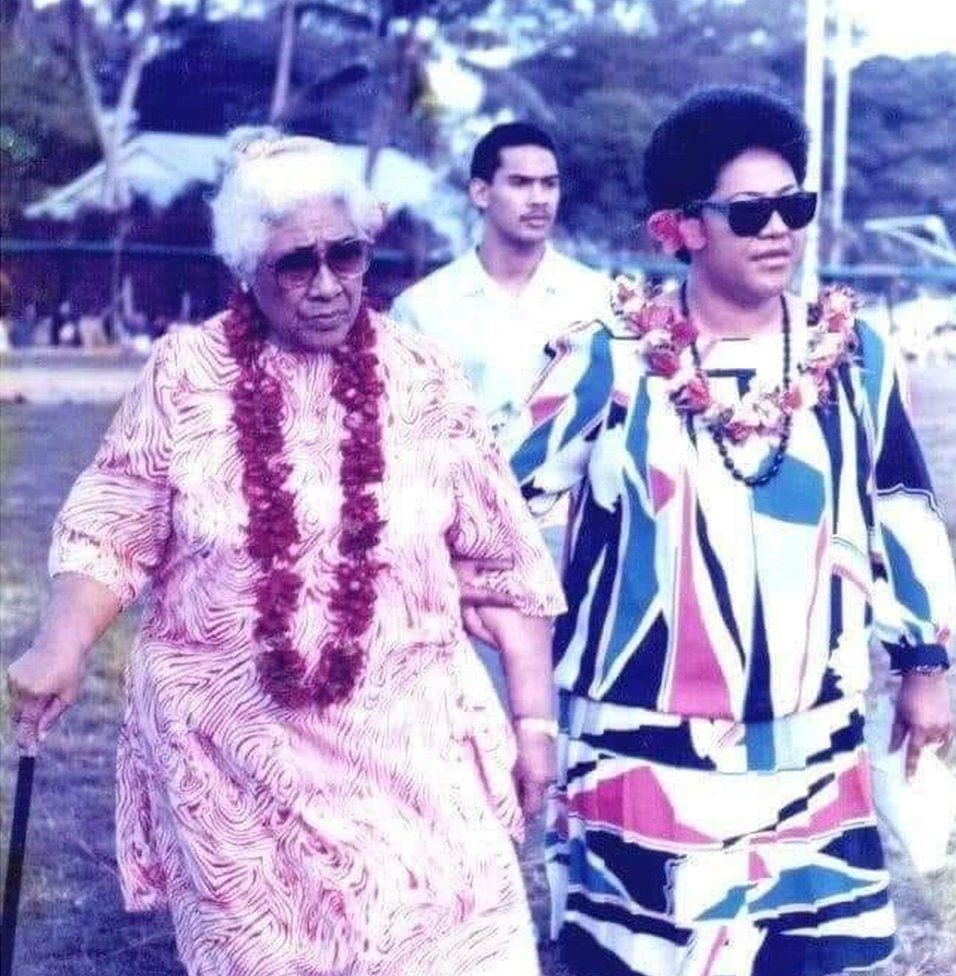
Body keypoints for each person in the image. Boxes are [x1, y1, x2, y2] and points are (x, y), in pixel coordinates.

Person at [6, 132, 566, 976]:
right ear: (245, 273)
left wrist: (533, 723)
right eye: (295, 264)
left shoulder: (424, 378)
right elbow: (112, 522)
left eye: (346, 255)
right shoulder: (184, 376)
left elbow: (505, 562)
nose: (328, 284)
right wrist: (62, 644)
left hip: (412, 743)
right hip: (235, 760)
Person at [495, 87, 956, 976]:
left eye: (795, 207)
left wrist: (925, 670)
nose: (779, 228)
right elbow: (492, 512)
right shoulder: (608, 358)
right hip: (637, 743)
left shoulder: (854, 355)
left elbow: (902, 507)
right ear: (681, 227)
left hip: (811, 737)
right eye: (751, 212)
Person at [390, 121, 612, 430]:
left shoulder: (598, 299)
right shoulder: (422, 309)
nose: (539, 198)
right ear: (481, 192)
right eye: (520, 183)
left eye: (549, 184)